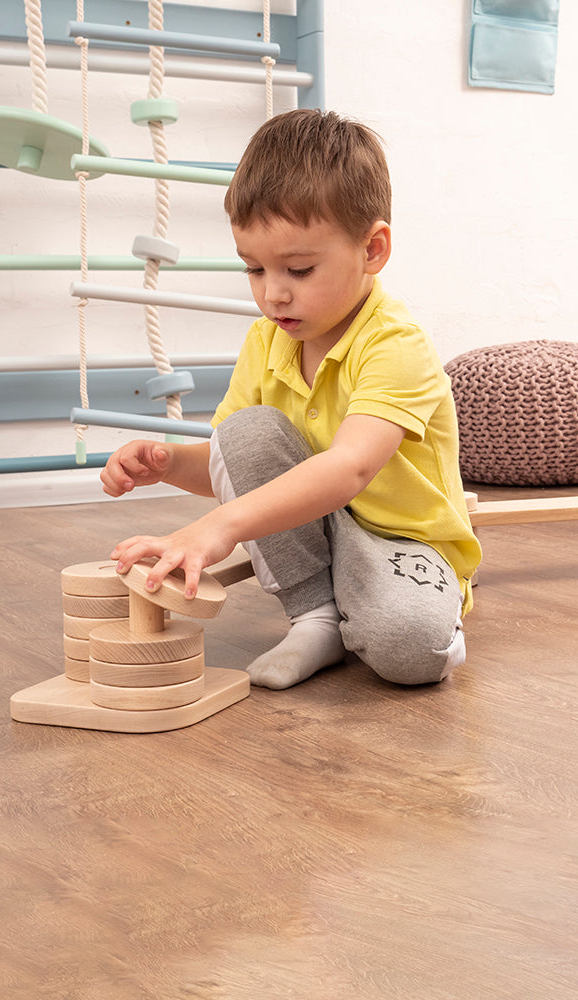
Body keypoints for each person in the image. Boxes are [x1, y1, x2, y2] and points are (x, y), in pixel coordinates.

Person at [100, 109, 481, 690]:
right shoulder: (267, 340)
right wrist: (168, 463)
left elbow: (349, 468)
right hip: (310, 520)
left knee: (410, 652)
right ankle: (318, 616)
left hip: (399, 539)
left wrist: (221, 527)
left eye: (299, 269)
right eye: (254, 269)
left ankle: (394, 600)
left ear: (372, 250)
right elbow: (238, 461)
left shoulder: (396, 344)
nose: (273, 293)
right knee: (247, 429)